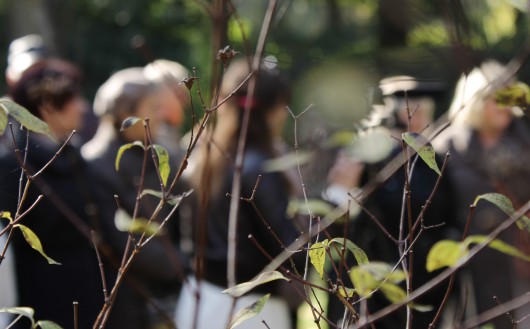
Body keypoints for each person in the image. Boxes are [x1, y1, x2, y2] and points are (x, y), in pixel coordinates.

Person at [175, 58, 304, 329]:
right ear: (275, 108)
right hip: (251, 313)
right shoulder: (260, 168)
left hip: (197, 301)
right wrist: (338, 196)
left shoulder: (200, 159)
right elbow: (294, 251)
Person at [327, 76, 454, 328]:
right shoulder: (371, 156)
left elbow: (449, 213)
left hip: (426, 279)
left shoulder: (435, 161)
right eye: (410, 111)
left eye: (423, 112)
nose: (416, 120)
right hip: (375, 277)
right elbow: (345, 214)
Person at [82, 67, 188, 329]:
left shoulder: (163, 154)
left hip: (177, 291)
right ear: (124, 113)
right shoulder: (96, 164)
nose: (162, 115)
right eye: (153, 107)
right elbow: (121, 240)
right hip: (129, 303)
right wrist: (182, 267)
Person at [0, 58, 102, 328]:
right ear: (47, 106)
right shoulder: (12, 163)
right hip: (40, 302)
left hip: (87, 293)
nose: (82, 107)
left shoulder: (73, 154)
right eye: (72, 99)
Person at [435, 60, 530, 328]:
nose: (505, 106)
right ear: (476, 100)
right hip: (466, 264)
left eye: (509, 98)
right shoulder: (447, 147)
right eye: (496, 98)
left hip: (519, 262)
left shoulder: (526, 144)